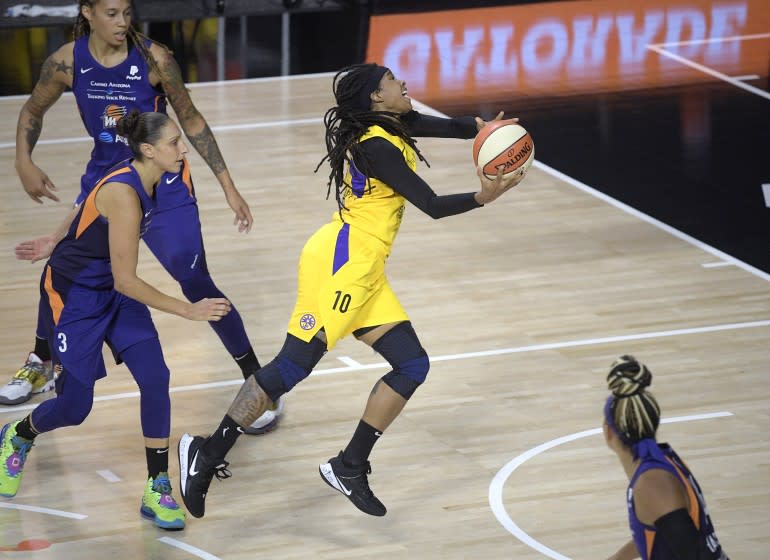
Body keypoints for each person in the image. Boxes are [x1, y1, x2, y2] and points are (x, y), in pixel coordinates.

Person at [176, 62, 526, 520]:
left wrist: (480, 130)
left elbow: (425, 122)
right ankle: (206, 453)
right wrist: (483, 197)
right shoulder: (377, 147)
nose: (404, 84)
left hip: (365, 268)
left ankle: (349, 465)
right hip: (340, 267)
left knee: (412, 364)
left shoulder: (387, 123)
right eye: (392, 82)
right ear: (377, 99)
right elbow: (433, 206)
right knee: (291, 367)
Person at [2, 0, 281, 434]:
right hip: (107, 183)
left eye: (127, 12)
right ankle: (41, 359)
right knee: (62, 262)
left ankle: (257, 382)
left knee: (195, 282)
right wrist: (23, 160)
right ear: (88, 12)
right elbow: (32, 111)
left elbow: (190, 118)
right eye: (111, 13)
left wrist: (228, 186)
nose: (122, 22)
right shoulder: (65, 62)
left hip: (163, 185)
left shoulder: (155, 58)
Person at [0, 111, 232, 531]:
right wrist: (187, 309)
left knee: (156, 377)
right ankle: (18, 434)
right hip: (75, 297)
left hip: (114, 292)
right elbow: (128, 280)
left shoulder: (150, 178)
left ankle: (156, 484)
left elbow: (88, 205)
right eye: (175, 144)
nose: (182, 150)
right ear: (148, 150)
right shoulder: (125, 193)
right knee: (75, 408)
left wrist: (55, 237)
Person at [603, 355, 728, 560]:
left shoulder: (652, 483)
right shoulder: (660, 462)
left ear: (608, 431)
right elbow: (662, 530)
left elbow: (694, 555)